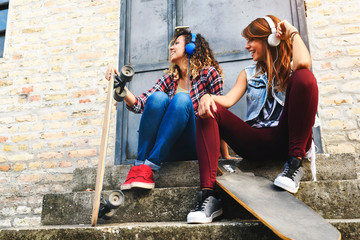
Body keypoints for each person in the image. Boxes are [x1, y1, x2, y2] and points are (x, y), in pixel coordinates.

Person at [187, 15, 318, 224]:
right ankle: (208, 195)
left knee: (305, 76)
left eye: (251, 40)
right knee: (208, 108)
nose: (247, 46)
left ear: (269, 39)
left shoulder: (291, 66)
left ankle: (294, 166)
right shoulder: (247, 73)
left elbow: (303, 63)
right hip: (256, 142)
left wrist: (292, 32)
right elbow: (228, 100)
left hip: (290, 138)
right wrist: (207, 96)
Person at [105, 27, 224, 190]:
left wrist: (224, 155)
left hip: (195, 144)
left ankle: (150, 165)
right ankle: (141, 167)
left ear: (191, 48)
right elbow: (140, 104)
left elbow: (220, 115)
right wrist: (119, 85)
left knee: (182, 99)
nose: (171, 47)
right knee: (158, 97)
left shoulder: (208, 74)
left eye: (176, 43)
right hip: (167, 147)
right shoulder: (169, 79)